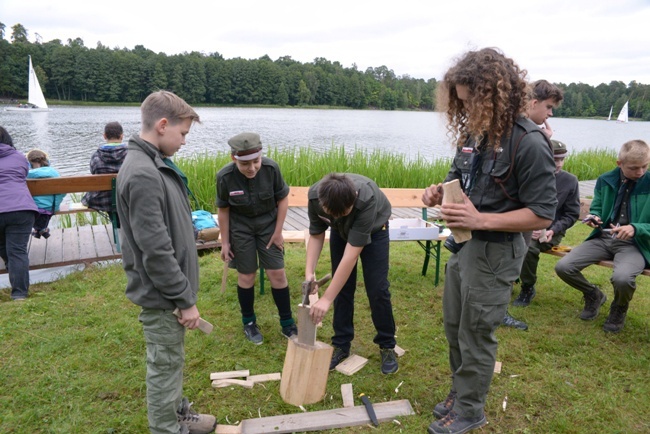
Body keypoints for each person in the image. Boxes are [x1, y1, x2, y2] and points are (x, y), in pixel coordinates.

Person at [421, 48, 557, 434]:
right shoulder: (474, 134)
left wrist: (482, 219)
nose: (463, 110)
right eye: (459, 102)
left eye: (469, 101)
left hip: (496, 252)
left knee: (477, 332)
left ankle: (470, 410)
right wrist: (436, 193)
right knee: (454, 326)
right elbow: (457, 181)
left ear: (491, 96)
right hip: (462, 245)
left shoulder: (528, 142)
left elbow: (543, 213)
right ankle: (460, 392)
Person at [116, 90, 216, 434]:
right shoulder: (144, 173)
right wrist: (184, 299)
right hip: (164, 298)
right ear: (162, 125)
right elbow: (155, 251)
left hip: (169, 294)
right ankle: (166, 428)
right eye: (183, 133)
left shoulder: (154, 163)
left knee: (171, 360)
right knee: (164, 365)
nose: (184, 141)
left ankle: (178, 412)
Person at [305, 173, 399, 375]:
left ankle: (387, 345)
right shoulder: (315, 196)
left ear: (353, 197)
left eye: (343, 213)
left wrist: (326, 299)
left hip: (375, 229)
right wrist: (309, 272)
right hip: (340, 232)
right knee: (342, 290)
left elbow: (350, 256)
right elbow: (316, 234)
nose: (338, 216)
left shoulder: (366, 199)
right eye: (333, 214)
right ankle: (341, 344)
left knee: (377, 289)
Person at [555, 139, 650, 333]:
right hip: (603, 238)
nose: (640, 172)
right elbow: (597, 207)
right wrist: (594, 216)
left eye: (645, 166)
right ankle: (593, 294)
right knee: (564, 267)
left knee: (622, 279)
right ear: (619, 164)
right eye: (634, 168)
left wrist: (635, 228)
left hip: (635, 244)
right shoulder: (606, 179)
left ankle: (619, 308)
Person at [216, 132, 296, 345]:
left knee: (277, 274)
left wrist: (278, 232)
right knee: (246, 276)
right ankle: (249, 323)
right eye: (245, 164)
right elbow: (223, 210)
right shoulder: (224, 177)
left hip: (269, 227)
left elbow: (283, 199)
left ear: (261, 156)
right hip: (240, 229)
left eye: (256, 162)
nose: (252, 168)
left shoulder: (271, 169)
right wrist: (225, 242)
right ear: (234, 159)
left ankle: (287, 323)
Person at [502, 80, 566, 328]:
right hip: (517, 214)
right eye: (548, 107)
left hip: (520, 212)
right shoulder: (527, 135)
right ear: (533, 102)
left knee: (511, 265)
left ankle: (500, 309)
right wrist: (541, 140)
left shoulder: (513, 130)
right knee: (507, 267)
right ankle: (499, 312)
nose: (550, 114)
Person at [512, 139, 580, 307]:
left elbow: (571, 215)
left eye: (561, 159)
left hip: (552, 232)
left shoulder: (570, 181)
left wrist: (552, 230)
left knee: (528, 247)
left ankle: (527, 287)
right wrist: (528, 226)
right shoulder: (530, 176)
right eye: (553, 159)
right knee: (508, 238)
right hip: (525, 226)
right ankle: (507, 278)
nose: (558, 164)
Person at [0, 126, 38, 301]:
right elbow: (23, 174)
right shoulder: (19, 157)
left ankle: (16, 281)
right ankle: (19, 294)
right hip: (21, 208)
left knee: (7, 250)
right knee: (17, 251)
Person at [82, 121, 128, 212]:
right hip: (126, 199)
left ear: (105, 136)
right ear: (122, 136)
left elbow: (93, 172)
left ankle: (116, 223)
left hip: (101, 201)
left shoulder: (96, 156)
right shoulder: (132, 154)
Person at [26, 149, 66, 239]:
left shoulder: (26, 175)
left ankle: (39, 230)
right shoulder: (54, 173)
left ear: (29, 163)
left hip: (32, 209)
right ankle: (41, 230)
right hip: (49, 209)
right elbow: (62, 192)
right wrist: (55, 206)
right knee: (44, 215)